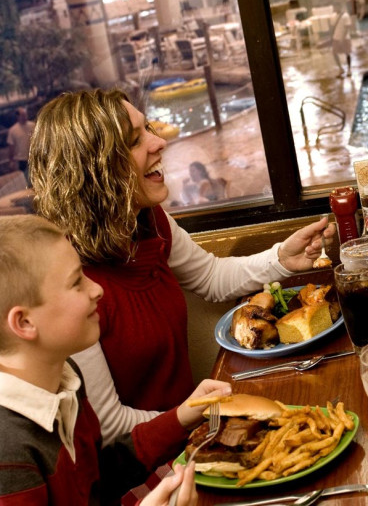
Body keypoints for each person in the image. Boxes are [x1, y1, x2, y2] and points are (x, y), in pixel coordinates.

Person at [28, 89, 334, 444]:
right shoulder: (67, 283)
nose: (159, 143)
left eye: (149, 130)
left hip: (190, 429)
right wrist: (207, 420)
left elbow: (210, 278)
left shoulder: (149, 219)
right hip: (140, 463)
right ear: (95, 170)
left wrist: (283, 259)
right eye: (135, 140)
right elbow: (109, 425)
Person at [0, 214, 232, 504]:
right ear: (23, 322)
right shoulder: (8, 451)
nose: (97, 289)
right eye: (76, 283)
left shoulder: (67, 376)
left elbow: (100, 475)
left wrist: (181, 417)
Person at [6, 107, 35, 184]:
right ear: (17, 116)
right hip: (21, 159)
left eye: (25, 115)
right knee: (26, 179)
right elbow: (11, 146)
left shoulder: (33, 125)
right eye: (22, 115)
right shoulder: (13, 130)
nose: (24, 117)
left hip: (33, 156)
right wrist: (11, 160)